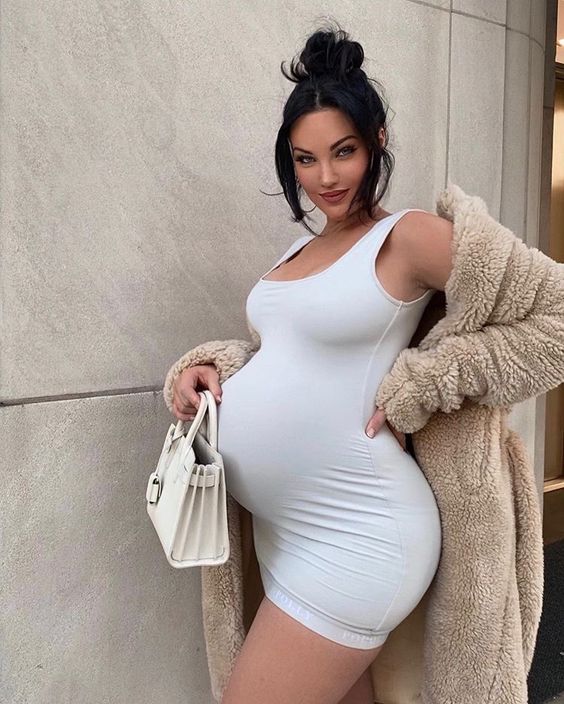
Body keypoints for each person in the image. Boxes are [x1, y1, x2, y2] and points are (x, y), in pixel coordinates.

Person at [168, 24, 457, 704]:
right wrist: (212, 368)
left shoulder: (406, 237)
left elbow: (546, 313)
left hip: (358, 534)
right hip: (289, 536)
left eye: (343, 151)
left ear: (377, 140)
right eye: (305, 159)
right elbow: (295, 359)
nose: (325, 177)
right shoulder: (294, 254)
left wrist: (425, 382)